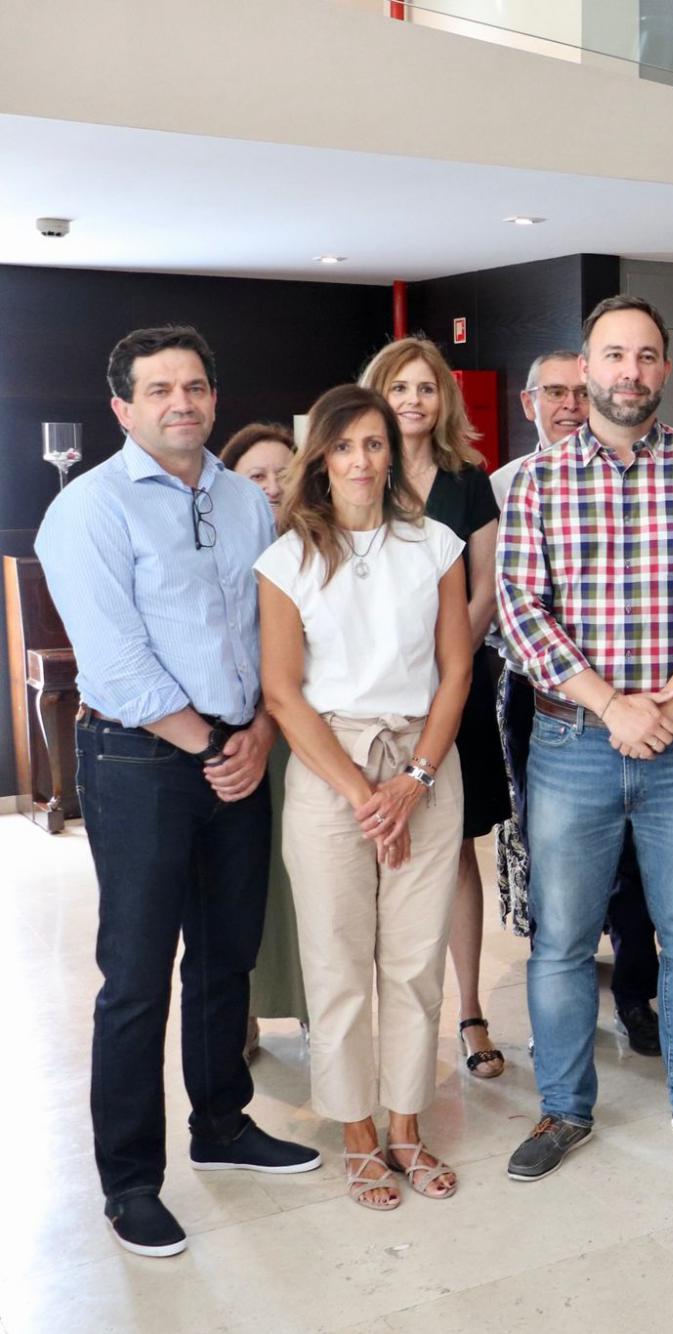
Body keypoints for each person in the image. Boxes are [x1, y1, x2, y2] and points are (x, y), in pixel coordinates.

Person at [36, 326, 319, 1259]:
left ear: (214, 397)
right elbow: (116, 660)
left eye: (194, 386)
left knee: (225, 957)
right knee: (136, 977)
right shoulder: (88, 509)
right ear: (123, 408)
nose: (181, 403)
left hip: (240, 748)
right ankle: (129, 1183)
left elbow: (277, 631)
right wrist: (215, 746)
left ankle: (223, 1125)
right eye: (158, 390)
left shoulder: (244, 500)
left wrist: (262, 731)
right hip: (140, 762)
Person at [497, 294, 673, 1180]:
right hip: (572, 742)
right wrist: (614, 706)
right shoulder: (536, 479)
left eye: (646, 356)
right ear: (586, 368)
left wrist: (670, 702)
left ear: (666, 369)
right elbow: (521, 613)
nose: (630, 372)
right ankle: (563, 1109)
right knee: (563, 941)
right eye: (614, 355)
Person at [256, 383, 473, 1211]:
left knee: (415, 961)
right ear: (321, 459)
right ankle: (356, 1132)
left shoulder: (435, 544)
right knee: (337, 961)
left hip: (424, 758)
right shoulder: (288, 560)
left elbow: (456, 668)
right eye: (343, 446)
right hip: (329, 767)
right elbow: (283, 693)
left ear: (392, 455)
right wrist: (363, 795)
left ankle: (407, 1126)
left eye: (374, 444)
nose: (360, 460)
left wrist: (413, 781)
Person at [489, 351, 663, 1058]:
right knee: (553, 857)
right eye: (552, 392)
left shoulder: (644, 474)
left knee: (637, 857)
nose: (567, 404)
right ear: (528, 403)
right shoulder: (506, 486)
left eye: (577, 391)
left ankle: (635, 995)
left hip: (639, 704)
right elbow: (504, 610)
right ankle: (558, 1010)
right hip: (540, 701)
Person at [359, 336, 512, 1080]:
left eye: (426, 388)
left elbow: (485, 591)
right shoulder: (357, 473)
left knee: (452, 851)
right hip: (368, 696)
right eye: (400, 388)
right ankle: (378, 1019)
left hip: (455, 690)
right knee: (368, 851)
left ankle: (471, 1011)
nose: (413, 400)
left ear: (443, 398)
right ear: (378, 395)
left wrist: (444, 671)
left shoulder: (469, 481)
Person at [221, 423, 311, 1051]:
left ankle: (315, 1006)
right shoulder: (219, 549)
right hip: (240, 735)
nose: (273, 487)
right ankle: (244, 1012)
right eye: (257, 476)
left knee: (307, 877)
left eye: (285, 473)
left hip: (309, 732)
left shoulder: (323, 543)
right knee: (241, 880)